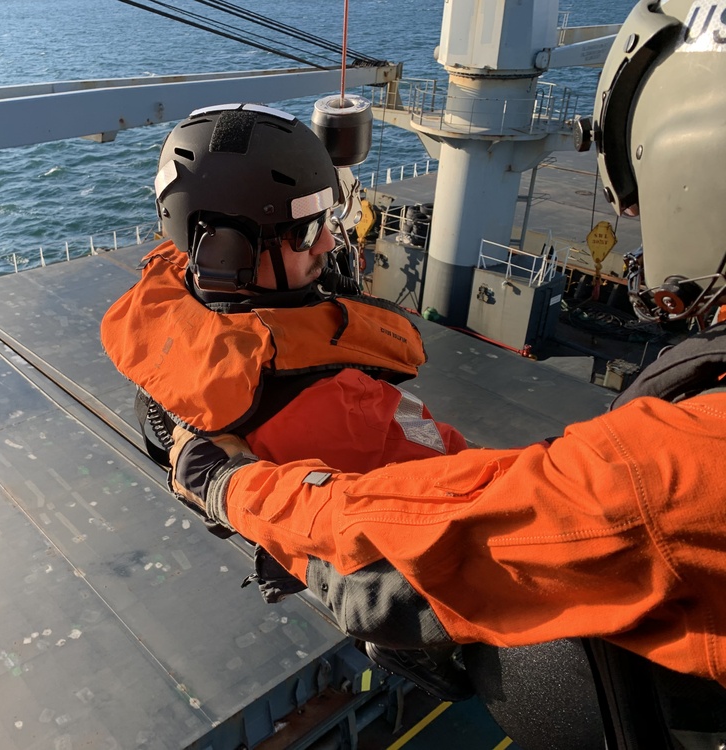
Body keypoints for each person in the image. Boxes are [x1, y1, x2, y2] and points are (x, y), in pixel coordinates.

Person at [168, 0, 726, 746]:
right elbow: (445, 529)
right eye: (311, 228)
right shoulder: (674, 468)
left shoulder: (672, 470)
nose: (329, 241)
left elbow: (449, 537)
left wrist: (223, 483)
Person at [100, 103, 474, 700]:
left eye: (327, 220)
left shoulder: (171, 303)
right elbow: (459, 478)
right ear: (225, 250)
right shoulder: (345, 408)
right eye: (306, 231)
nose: (328, 240)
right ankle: (408, 644)